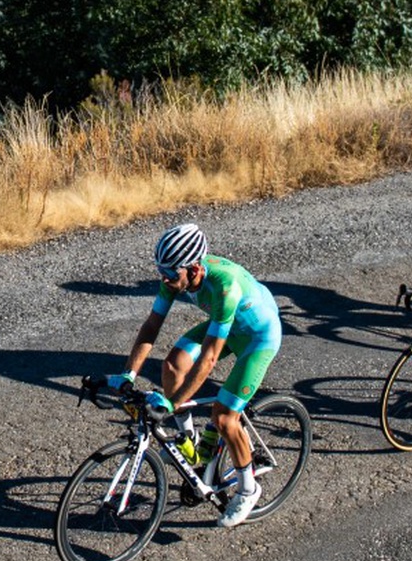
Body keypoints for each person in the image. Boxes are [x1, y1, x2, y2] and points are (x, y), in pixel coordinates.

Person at [108, 223, 283, 528]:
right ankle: (191, 442)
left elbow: (209, 359)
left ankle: (248, 488)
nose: (164, 278)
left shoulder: (224, 287)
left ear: (194, 269)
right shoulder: (176, 277)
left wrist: (171, 404)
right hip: (229, 326)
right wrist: (128, 374)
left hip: (258, 337)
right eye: (160, 271)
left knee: (224, 417)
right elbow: (152, 326)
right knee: (172, 365)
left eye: (170, 273)